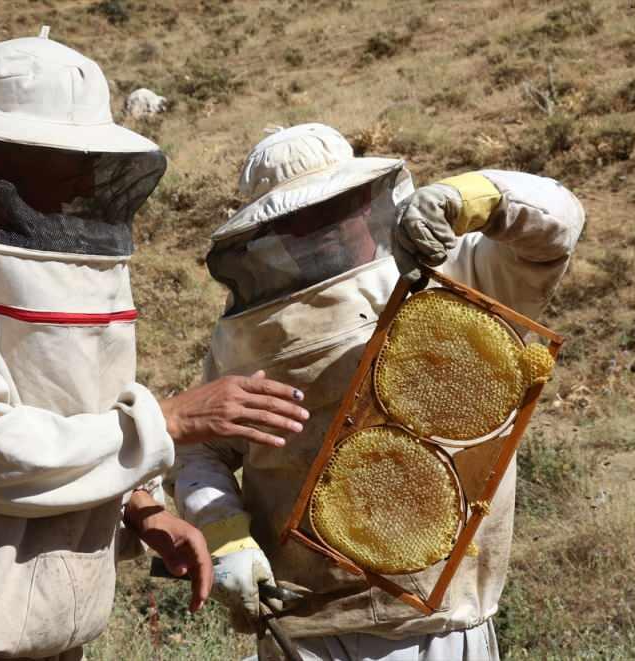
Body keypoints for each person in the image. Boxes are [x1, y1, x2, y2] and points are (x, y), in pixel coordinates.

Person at [0, 32, 308, 661]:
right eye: (62, 155)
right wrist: (169, 422)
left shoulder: (78, 259)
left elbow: (81, 403)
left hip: (61, 635)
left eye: (90, 157)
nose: (83, 176)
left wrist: (141, 507)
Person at [170, 123, 585, 660]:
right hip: (311, 623)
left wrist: (468, 198)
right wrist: (225, 533)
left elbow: (559, 224)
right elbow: (203, 448)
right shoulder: (246, 333)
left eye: (329, 211)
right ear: (269, 236)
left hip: (443, 620)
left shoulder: (458, 270)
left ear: (363, 202)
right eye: (295, 223)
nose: (315, 231)